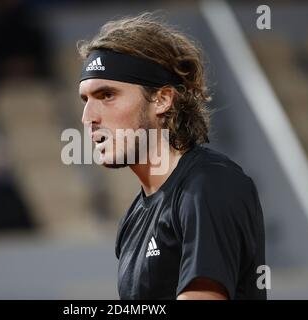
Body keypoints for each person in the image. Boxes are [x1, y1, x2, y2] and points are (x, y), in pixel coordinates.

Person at [77, 13, 266, 300]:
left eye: (107, 95)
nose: (88, 117)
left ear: (162, 100)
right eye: (85, 99)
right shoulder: (133, 218)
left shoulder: (209, 185)